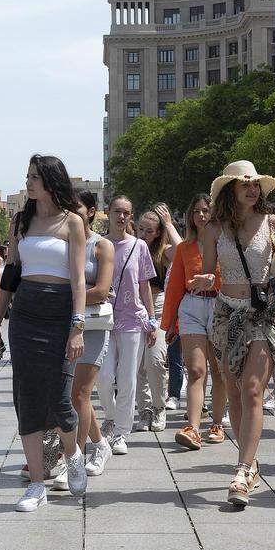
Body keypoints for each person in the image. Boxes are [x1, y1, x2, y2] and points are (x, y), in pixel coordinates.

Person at [191, 161, 275, 508]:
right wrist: (208, 280)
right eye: (245, 184)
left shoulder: (273, 223)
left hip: (262, 311)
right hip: (227, 314)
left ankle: (241, 470)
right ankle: (250, 461)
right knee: (236, 390)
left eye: (255, 184)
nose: (252, 189)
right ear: (231, 189)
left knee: (254, 388)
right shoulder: (214, 228)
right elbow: (211, 269)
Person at [0, 155, 86, 510]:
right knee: (26, 397)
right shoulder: (20, 221)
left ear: (50, 180)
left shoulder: (73, 222)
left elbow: (78, 280)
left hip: (61, 313)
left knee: (60, 396)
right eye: (27, 176)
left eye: (34, 177)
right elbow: (10, 275)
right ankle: (36, 484)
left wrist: (77, 327)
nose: (28, 183)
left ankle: (72, 452)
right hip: (26, 313)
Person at [165, 193, 228, 451]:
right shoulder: (184, 248)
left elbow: (232, 280)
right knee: (196, 370)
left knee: (219, 369)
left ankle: (216, 424)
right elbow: (175, 287)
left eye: (206, 211)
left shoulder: (225, 244)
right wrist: (170, 323)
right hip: (190, 306)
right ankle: (192, 428)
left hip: (219, 306)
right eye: (196, 211)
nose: (201, 215)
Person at [98, 195, 157, 455]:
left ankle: (121, 432)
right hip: (103, 319)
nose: (122, 217)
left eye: (127, 213)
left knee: (127, 378)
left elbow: (144, 284)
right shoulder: (98, 245)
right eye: (117, 212)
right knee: (103, 377)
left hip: (133, 319)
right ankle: (111, 417)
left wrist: (152, 320)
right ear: (108, 213)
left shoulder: (139, 246)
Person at [68, 190, 116, 477]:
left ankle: (73, 457)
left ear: (91, 211)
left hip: (94, 326)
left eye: (78, 208)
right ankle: (99, 443)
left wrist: (69, 297)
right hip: (65, 324)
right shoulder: (63, 243)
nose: (72, 213)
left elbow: (101, 290)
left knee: (81, 394)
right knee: (73, 396)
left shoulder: (101, 246)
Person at [134, 204, 180, 432]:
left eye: (149, 231)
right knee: (137, 366)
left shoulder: (163, 252)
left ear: (158, 233)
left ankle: (159, 408)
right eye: (140, 229)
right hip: (132, 309)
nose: (143, 234)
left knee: (154, 361)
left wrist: (169, 223)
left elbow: (183, 251)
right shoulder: (131, 247)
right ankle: (144, 410)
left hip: (159, 309)